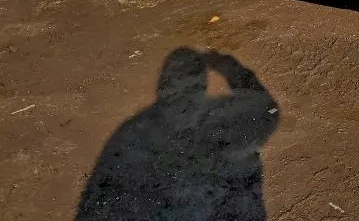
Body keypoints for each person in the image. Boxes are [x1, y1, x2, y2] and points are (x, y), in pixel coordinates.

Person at [75, 48, 279, 221]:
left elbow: (97, 195)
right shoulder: (220, 119)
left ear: (162, 86)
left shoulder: (134, 131)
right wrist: (229, 66)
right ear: (201, 86)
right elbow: (268, 110)